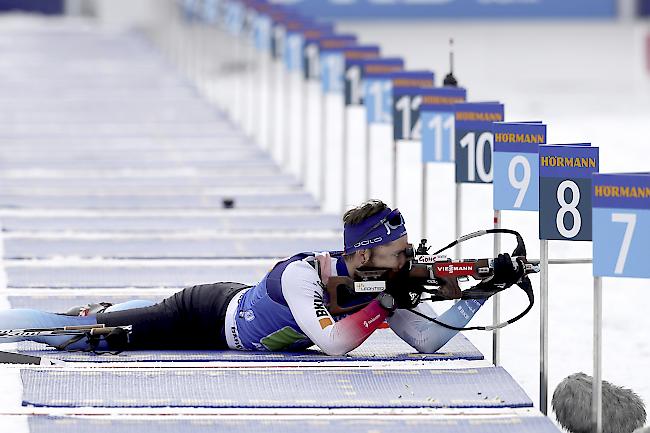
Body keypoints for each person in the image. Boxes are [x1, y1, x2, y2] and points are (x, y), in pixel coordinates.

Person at [0, 200, 522, 355]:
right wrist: (384, 307)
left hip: (236, 331)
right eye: (399, 252)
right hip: (204, 315)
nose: (409, 260)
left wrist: (479, 291)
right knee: (95, 336)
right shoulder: (303, 276)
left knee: (106, 327)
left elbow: (430, 341)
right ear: (365, 255)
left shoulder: (384, 285)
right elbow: (336, 343)